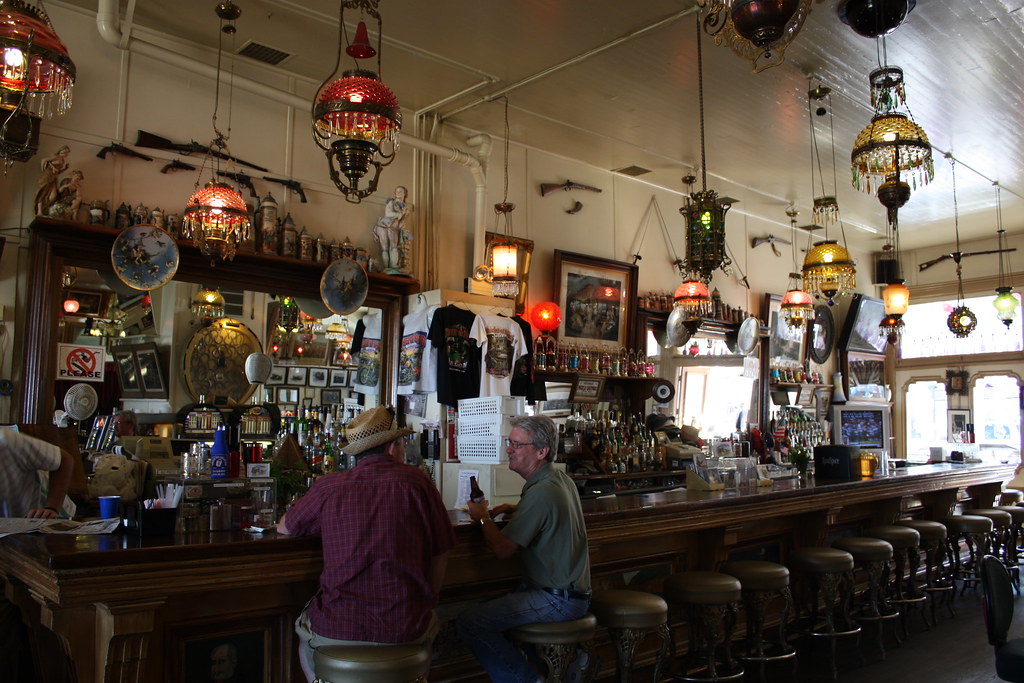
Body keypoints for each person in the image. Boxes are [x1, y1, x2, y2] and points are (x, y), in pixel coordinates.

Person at [277, 406, 455, 682]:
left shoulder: (329, 486)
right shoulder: (417, 482)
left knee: (303, 641)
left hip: (338, 628)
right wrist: (428, 598)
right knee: (425, 640)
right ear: (393, 447)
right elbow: (442, 549)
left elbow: (285, 527)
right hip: (405, 626)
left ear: (356, 453)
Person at [458, 415, 591, 683]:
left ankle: (529, 680)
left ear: (541, 452)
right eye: (509, 442)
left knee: (471, 622)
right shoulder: (559, 479)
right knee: (505, 602)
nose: (509, 449)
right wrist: (517, 510)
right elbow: (550, 515)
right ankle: (568, 661)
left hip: (558, 600)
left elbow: (503, 550)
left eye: (517, 444)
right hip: (574, 593)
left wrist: (482, 517)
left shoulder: (542, 490)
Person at [0, 430, 75, 518]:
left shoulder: (7, 441)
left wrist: (52, 508)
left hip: (47, 515)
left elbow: (64, 460)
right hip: (12, 524)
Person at [372, 185, 410, 273]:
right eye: (397, 192)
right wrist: (398, 215)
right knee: (385, 247)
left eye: (400, 192)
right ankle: (387, 267)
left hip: (394, 227)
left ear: (405, 194)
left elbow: (402, 223)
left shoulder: (405, 208)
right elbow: (388, 213)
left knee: (394, 246)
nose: (398, 194)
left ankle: (393, 267)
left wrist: (405, 232)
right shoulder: (391, 202)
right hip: (384, 225)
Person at [33, 145, 70, 216]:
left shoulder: (62, 160)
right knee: (43, 192)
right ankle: (39, 211)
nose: (66, 154)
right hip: (48, 176)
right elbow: (44, 160)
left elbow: (58, 172)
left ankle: (45, 208)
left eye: (67, 153)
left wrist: (65, 169)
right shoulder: (57, 157)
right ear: (62, 151)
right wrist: (44, 170)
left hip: (54, 178)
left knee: (53, 196)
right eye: (65, 152)